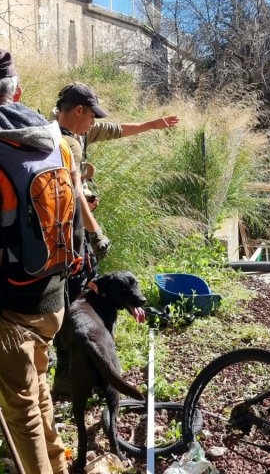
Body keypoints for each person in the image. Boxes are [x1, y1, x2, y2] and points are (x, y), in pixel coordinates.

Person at [0, 46, 82, 474]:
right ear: (19, 91)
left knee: (21, 416)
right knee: (38, 389)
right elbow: (73, 214)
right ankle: (59, 467)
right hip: (53, 302)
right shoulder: (58, 141)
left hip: (11, 310)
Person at [51, 82, 179, 396]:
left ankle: (84, 374)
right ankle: (70, 382)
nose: (95, 123)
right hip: (66, 234)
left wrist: (153, 125)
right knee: (73, 302)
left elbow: (116, 129)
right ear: (79, 110)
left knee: (84, 291)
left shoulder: (78, 130)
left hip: (69, 228)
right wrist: (96, 233)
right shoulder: (65, 142)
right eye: (91, 116)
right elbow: (74, 192)